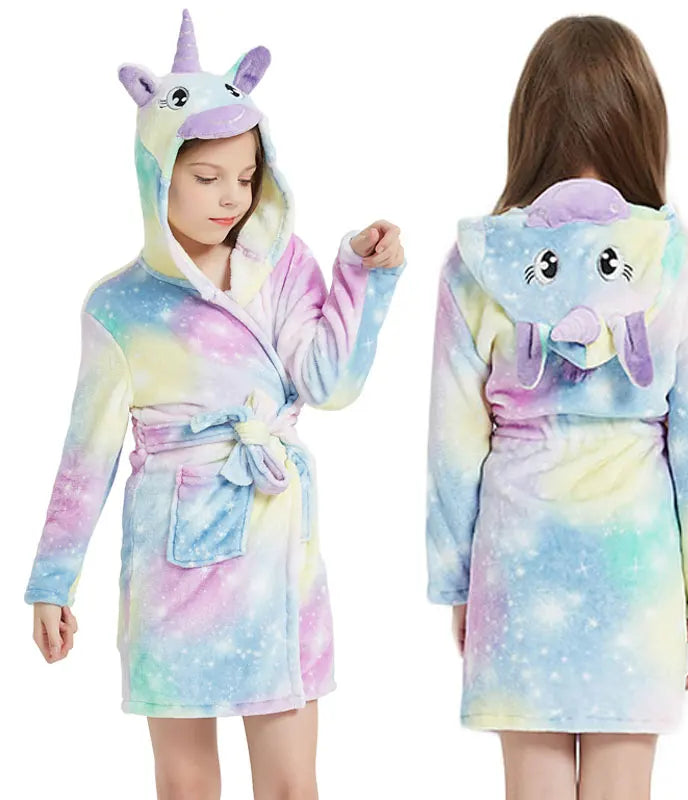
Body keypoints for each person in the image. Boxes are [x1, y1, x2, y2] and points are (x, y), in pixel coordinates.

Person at [23, 9, 404, 799]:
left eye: (247, 175)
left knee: (292, 783)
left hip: (277, 548)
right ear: (158, 173)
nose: (231, 196)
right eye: (206, 178)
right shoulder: (119, 308)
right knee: (186, 783)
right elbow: (85, 459)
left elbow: (331, 384)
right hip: (170, 566)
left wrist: (360, 279)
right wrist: (53, 582)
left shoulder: (284, 266)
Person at [425, 14, 688, 799]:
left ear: (528, 127)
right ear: (642, 124)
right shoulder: (675, 263)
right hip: (637, 571)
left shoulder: (479, 264)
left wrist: (457, 583)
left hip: (518, 559)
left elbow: (453, 446)